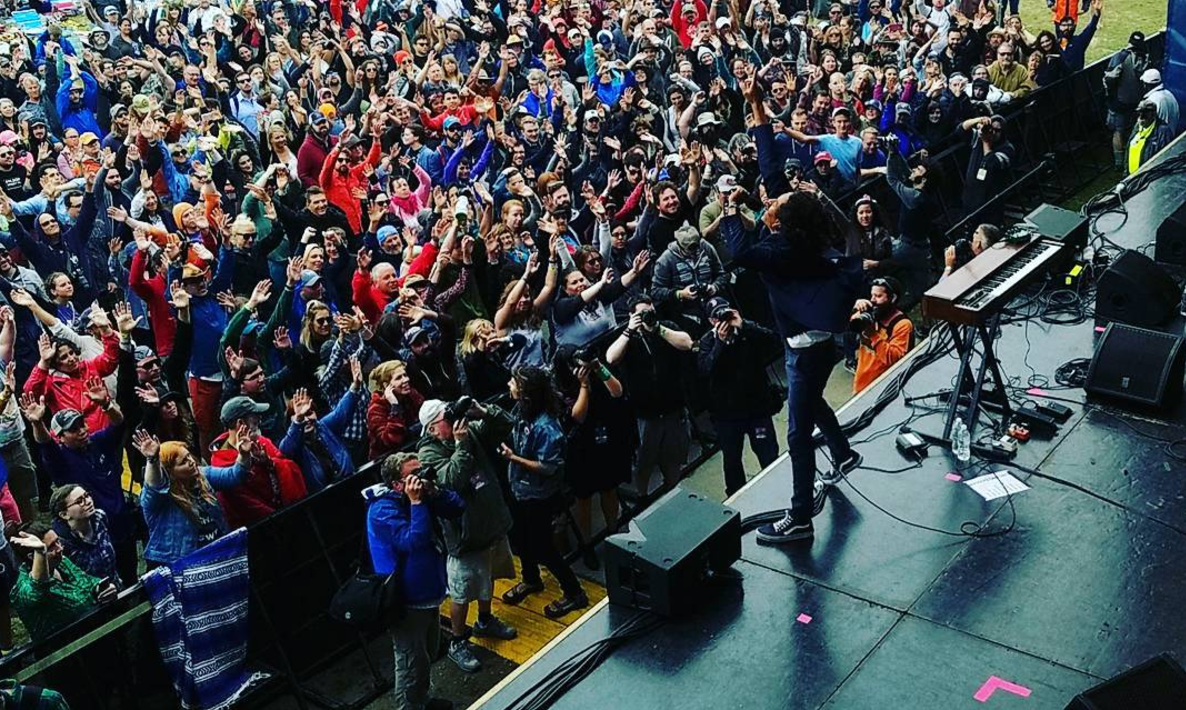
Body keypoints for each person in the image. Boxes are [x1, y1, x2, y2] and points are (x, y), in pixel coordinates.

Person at [416, 397, 517, 674]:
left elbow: (506, 424)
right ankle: (457, 640)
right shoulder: (427, 454)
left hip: (490, 521)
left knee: (489, 576)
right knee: (462, 592)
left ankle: (485, 619)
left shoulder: (468, 429)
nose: (452, 420)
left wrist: (483, 411)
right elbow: (452, 481)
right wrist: (461, 446)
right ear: (433, 429)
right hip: (464, 534)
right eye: (444, 418)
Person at [367, 452, 464, 710]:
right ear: (397, 484)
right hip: (406, 598)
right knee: (410, 659)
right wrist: (418, 504)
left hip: (430, 590)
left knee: (428, 652)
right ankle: (409, 706)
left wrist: (435, 492)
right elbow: (413, 541)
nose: (421, 478)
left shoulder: (419, 495)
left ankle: (423, 700)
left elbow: (457, 506)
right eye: (415, 474)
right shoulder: (382, 510)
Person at [497, 367, 588, 618]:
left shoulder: (547, 427)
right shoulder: (522, 410)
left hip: (539, 495)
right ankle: (531, 579)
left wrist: (513, 458)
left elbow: (548, 467)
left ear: (526, 392)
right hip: (519, 490)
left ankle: (574, 592)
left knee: (543, 546)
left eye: (514, 382)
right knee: (520, 537)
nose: (509, 384)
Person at [605, 296, 695, 496]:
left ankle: (674, 493)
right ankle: (643, 497)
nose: (647, 316)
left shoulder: (665, 327)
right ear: (632, 315)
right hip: (645, 413)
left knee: (673, 458)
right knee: (645, 461)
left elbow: (687, 343)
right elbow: (611, 357)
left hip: (673, 406)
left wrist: (657, 328)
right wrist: (630, 330)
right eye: (642, 313)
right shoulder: (626, 337)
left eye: (650, 311)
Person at [695, 298, 783, 497]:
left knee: (767, 451)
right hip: (728, 418)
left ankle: (779, 486)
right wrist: (721, 343)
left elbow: (773, 340)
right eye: (718, 317)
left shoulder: (748, 332)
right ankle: (737, 498)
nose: (723, 320)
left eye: (725, 314)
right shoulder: (708, 342)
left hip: (757, 413)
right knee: (732, 460)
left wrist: (743, 324)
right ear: (711, 321)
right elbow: (705, 370)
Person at [132, 430, 250, 568]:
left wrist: (244, 454)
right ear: (170, 471)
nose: (191, 462)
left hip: (219, 554)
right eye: (183, 462)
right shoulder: (158, 499)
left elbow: (234, 475)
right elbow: (154, 486)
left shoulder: (201, 475)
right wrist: (153, 460)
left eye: (189, 456)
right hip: (185, 566)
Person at [9, 522, 117, 642]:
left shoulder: (62, 563)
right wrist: (40, 552)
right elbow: (36, 591)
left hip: (95, 635)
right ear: (32, 557)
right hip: (65, 651)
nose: (60, 549)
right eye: (51, 547)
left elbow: (87, 581)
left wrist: (101, 589)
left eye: (58, 541)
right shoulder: (22, 588)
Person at [850, 278, 914, 394]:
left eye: (878, 296)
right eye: (872, 295)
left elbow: (896, 360)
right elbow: (842, 325)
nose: (873, 300)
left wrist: (873, 335)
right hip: (862, 383)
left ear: (893, 298)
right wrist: (854, 307)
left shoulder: (902, 324)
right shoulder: (869, 314)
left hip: (884, 387)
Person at [48, 484, 120, 587]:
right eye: (79, 501)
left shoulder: (100, 517)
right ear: (64, 515)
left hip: (115, 585)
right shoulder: (61, 543)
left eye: (87, 495)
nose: (88, 501)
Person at [1126, 100, 1177, 176]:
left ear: (1153, 114)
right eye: (1140, 112)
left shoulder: (1163, 131)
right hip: (1132, 178)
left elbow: (1166, 159)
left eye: (1145, 113)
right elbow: (1129, 150)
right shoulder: (1137, 127)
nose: (1141, 116)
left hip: (1149, 180)